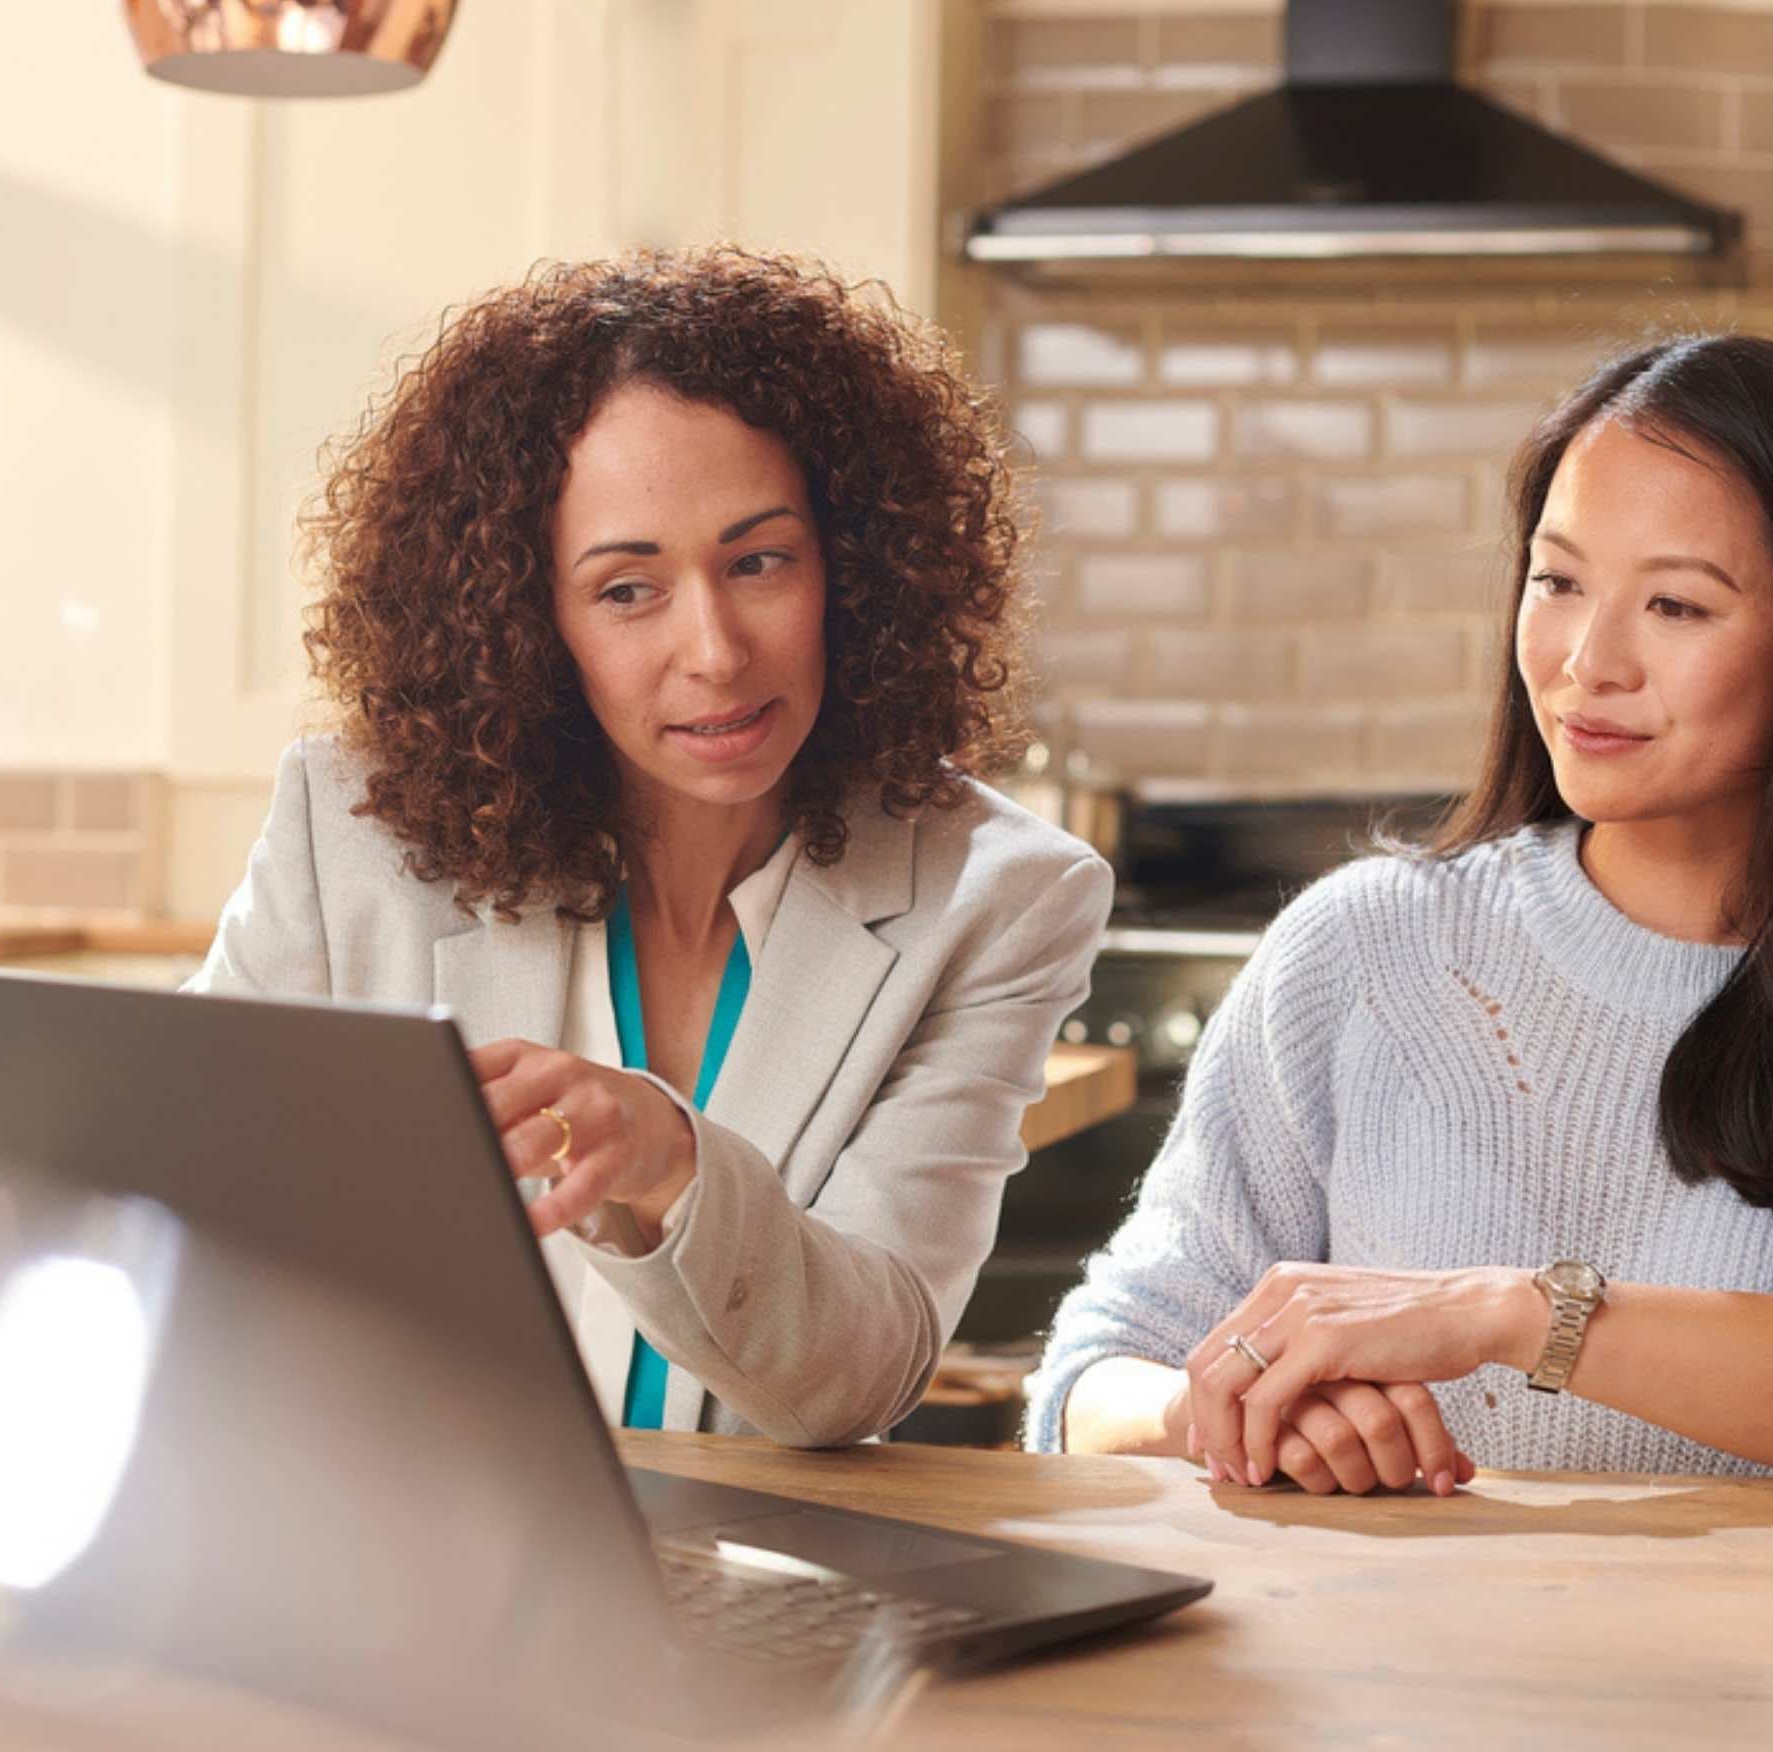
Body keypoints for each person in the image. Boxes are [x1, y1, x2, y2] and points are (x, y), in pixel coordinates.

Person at [1025, 334, 1773, 1494]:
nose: (1589, 662)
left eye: (1678, 606)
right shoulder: (1359, 951)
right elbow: (1093, 1378)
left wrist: (1516, 1315)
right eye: (1558, 582)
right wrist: (1228, 1411)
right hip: (1389, 1663)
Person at [191, 248, 1109, 1448]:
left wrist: (669, 1160)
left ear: (857, 565)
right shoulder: (352, 830)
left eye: (760, 561)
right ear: (530, 619)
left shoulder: (1000, 897)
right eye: (628, 590)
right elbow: (187, 1202)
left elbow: (857, 1378)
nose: (717, 650)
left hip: (753, 1590)